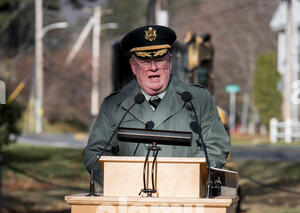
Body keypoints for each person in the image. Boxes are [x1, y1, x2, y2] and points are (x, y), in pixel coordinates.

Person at [83, 25, 230, 187]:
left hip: (185, 200)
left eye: (159, 60)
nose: (153, 68)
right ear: (133, 66)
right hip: (128, 202)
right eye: (145, 61)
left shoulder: (198, 99)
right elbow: (95, 153)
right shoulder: (113, 105)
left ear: (170, 61)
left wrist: (184, 178)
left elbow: (216, 146)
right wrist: (122, 184)